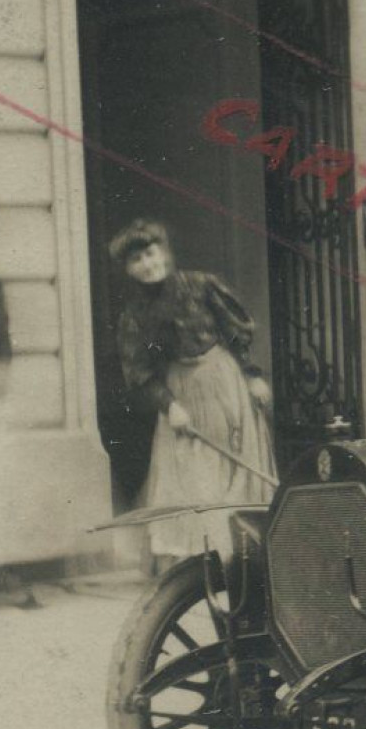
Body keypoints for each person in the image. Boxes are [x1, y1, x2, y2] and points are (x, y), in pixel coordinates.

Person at [110, 219, 277, 565]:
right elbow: (139, 372)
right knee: (191, 471)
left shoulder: (202, 286)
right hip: (181, 392)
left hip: (224, 381)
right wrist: (169, 406)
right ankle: (203, 558)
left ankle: (243, 553)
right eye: (136, 259)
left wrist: (252, 376)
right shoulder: (135, 315)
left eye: (151, 253)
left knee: (237, 466)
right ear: (128, 269)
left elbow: (235, 333)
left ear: (164, 252)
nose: (148, 264)